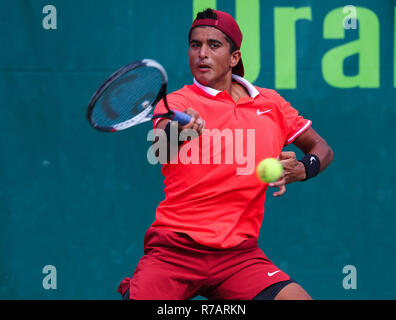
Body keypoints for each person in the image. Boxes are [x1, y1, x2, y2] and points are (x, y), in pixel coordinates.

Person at [118, 8, 333, 300]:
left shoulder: (271, 104)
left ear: (234, 58)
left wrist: (303, 169)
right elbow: (160, 148)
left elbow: (322, 149)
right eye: (196, 45)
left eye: (213, 45)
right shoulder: (179, 101)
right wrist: (181, 132)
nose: (202, 53)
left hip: (238, 257)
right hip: (175, 251)